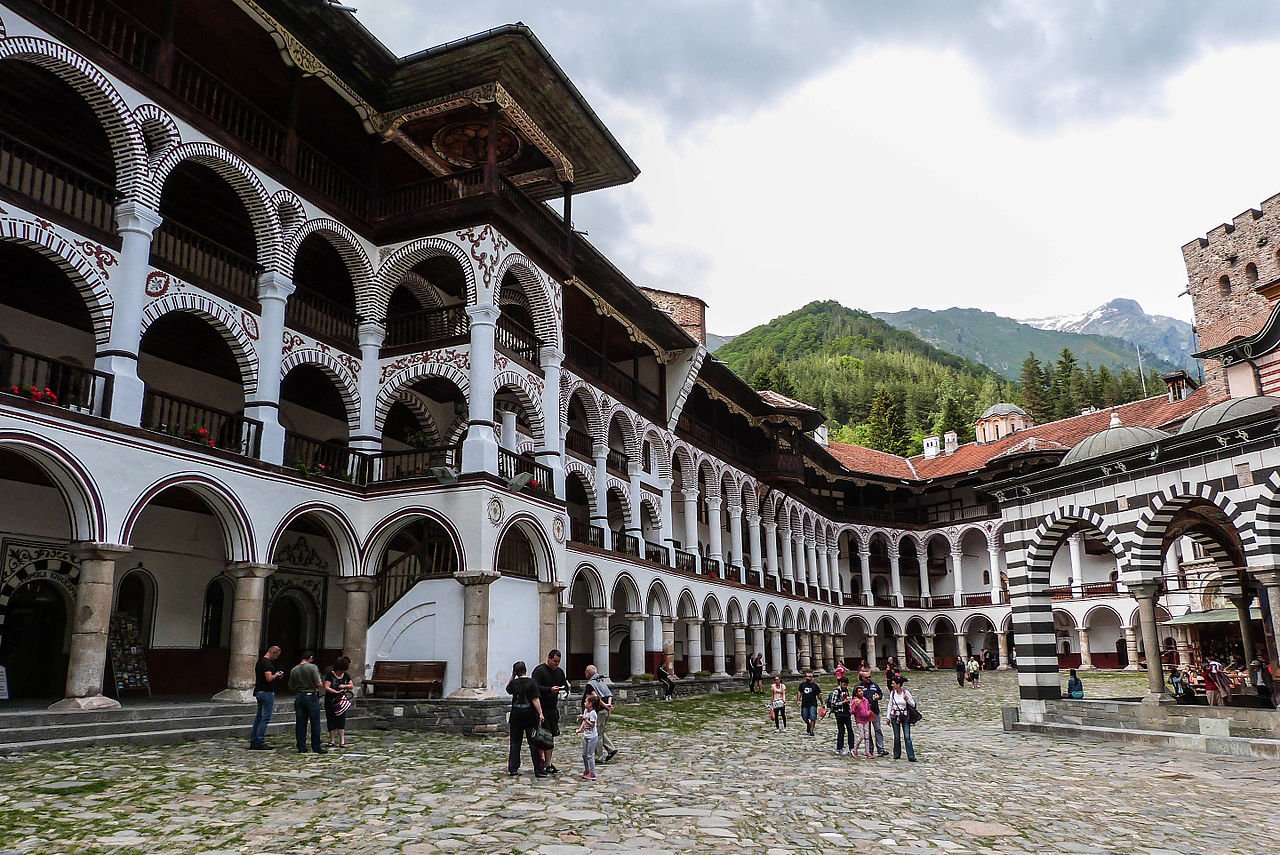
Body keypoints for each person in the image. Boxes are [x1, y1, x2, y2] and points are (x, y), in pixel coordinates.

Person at [506, 660, 546, 777]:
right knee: (534, 743)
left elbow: (508, 689)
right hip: (530, 717)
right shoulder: (532, 682)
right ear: (525, 670)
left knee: (515, 743)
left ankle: (513, 768)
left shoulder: (514, 684)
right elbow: (535, 699)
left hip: (516, 717)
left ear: (515, 672)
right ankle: (538, 769)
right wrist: (540, 713)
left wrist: (512, 676)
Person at [531, 649, 569, 773]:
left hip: (553, 709)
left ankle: (548, 763)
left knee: (551, 737)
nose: (556, 664)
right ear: (549, 658)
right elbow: (535, 688)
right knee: (541, 738)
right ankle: (539, 763)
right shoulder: (539, 671)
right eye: (554, 661)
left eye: (558, 662)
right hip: (541, 709)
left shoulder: (559, 672)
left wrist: (565, 692)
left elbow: (565, 685)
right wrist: (549, 690)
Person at [288, 650, 325, 754]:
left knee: (300, 723)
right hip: (311, 696)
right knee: (315, 723)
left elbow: (291, 686)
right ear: (311, 658)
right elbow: (318, 684)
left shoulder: (294, 669)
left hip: (299, 696)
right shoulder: (312, 668)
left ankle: (301, 746)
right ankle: (316, 746)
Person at [249, 645, 283, 750]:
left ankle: (254, 740)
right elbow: (268, 678)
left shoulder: (260, 662)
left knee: (259, 717)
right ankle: (260, 740)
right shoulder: (267, 663)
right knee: (265, 717)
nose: (277, 658)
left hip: (259, 691)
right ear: (274, 653)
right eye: (277, 655)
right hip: (267, 692)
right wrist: (276, 675)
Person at [582, 665, 618, 764]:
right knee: (600, 731)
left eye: (586, 672)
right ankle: (611, 749)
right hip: (606, 711)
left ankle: (599, 756)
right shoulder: (601, 681)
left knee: (597, 734)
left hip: (600, 711)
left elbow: (596, 697)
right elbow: (609, 694)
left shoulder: (591, 684)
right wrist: (608, 704)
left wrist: (605, 705)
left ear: (589, 673)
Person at [323, 656, 355, 748]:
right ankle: (332, 740)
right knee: (331, 719)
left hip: (341, 700)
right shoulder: (330, 675)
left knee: (341, 719)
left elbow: (351, 685)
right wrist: (336, 691)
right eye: (341, 670)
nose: (342, 672)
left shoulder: (345, 675)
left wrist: (343, 686)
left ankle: (342, 741)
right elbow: (327, 687)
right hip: (331, 700)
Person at [886, 674, 917, 762]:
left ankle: (911, 755)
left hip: (904, 716)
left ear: (898, 684)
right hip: (894, 716)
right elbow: (890, 705)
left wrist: (907, 699)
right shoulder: (892, 693)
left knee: (907, 736)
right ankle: (896, 754)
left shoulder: (906, 693)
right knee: (896, 736)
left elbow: (913, 705)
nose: (892, 685)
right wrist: (888, 717)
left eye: (893, 683)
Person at [858, 669, 888, 756]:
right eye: (866, 677)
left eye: (869, 677)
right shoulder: (859, 687)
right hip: (864, 713)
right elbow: (855, 698)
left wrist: (878, 697)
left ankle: (881, 749)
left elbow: (881, 694)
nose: (868, 679)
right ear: (862, 678)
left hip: (875, 711)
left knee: (878, 729)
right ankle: (869, 749)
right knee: (868, 732)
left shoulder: (874, 685)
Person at [826, 676, 854, 755]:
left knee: (850, 730)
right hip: (839, 713)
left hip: (846, 712)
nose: (845, 686)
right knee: (841, 731)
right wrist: (842, 703)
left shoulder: (846, 691)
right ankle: (839, 748)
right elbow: (833, 703)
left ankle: (851, 747)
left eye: (846, 685)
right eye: (844, 685)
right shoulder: (836, 691)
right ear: (840, 683)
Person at [576, 693, 600, 780]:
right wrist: (580, 729)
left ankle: (592, 773)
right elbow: (584, 722)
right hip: (586, 736)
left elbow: (592, 725)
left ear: (590, 704)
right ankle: (587, 770)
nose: (584, 703)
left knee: (590, 755)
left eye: (586, 702)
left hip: (592, 737)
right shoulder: (586, 711)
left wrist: (586, 719)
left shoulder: (593, 714)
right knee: (584, 755)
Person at [851, 685, 874, 757]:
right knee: (861, 736)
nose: (861, 692)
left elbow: (868, 708)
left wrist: (868, 713)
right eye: (859, 691)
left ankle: (867, 751)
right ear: (856, 693)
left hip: (866, 719)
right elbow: (852, 711)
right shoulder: (855, 701)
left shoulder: (865, 700)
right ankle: (855, 749)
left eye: (862, 691)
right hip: (859, 720)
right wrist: (856, 706)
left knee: (867, 736)